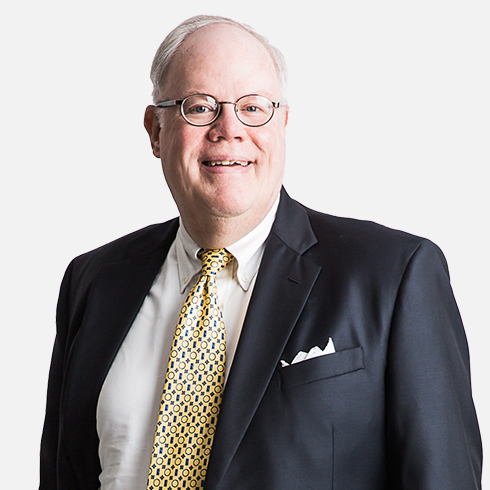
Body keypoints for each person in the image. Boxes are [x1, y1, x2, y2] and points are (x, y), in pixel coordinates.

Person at [39, 14, 482, 490]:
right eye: (199, 107)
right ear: (155, 131)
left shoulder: (393, 276)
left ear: (283, 123)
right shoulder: (93, 282)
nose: (229, 129)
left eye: (253, 108)